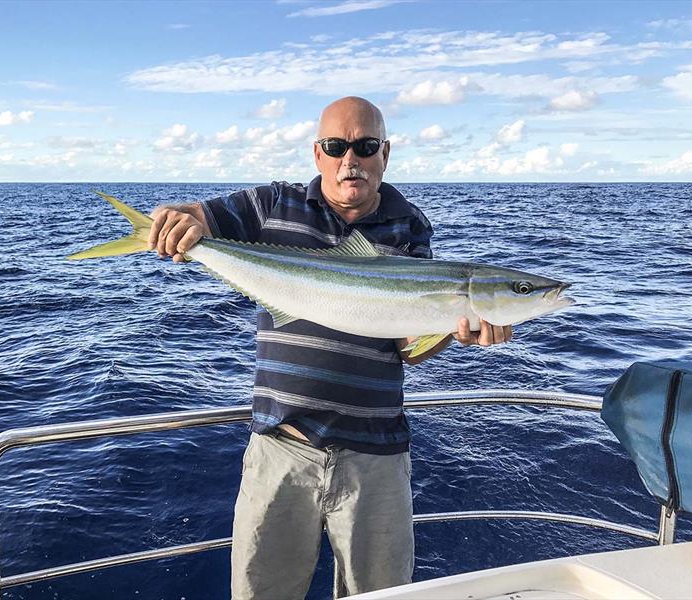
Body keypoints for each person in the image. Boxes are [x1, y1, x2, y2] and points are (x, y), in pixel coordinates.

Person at [147, 97, 512, 599]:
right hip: (281, 448)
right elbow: (198, 219)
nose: (350, 159)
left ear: (385, 153)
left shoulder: (410, 226)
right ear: (317, 154)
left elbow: (407, 346)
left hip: (375, 459)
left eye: (364, 146)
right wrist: (175, 223)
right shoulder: (273, 204)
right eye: (336, 146)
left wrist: (453, 331)